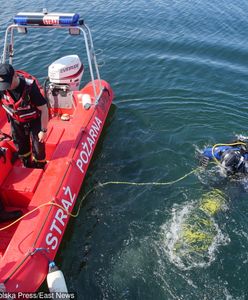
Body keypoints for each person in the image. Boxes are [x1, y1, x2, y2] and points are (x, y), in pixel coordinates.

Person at [0, 63, 48, 169]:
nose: (6, 87)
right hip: (16, 121)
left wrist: (43, 130)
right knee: (21, 146)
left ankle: (39, 165)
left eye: (8, 83)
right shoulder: (2, 88)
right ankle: (26, 164)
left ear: (15, 75)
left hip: (34, 120)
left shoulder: (30, 88)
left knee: (38, 146)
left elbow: (44, 109)